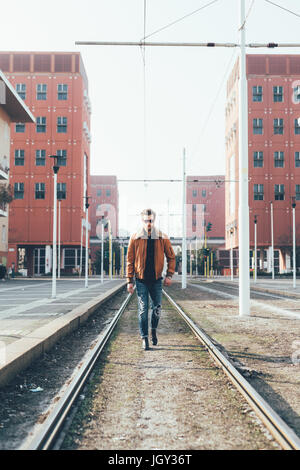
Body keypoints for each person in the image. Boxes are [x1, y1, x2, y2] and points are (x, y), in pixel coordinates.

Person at [126, 208, 176, 350]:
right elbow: (130, 260)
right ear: (142, 220)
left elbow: (171, 257)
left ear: (154, 220)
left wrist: (169, 275)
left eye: (151, 220)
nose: (149, 223)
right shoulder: (135, 237)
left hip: (156, 280)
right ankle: (144, 338)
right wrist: (129, 281)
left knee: (157, 308)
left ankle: (153, 329)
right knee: (143, 310)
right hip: (141, 280)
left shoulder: (162, 237)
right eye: (146, 220)